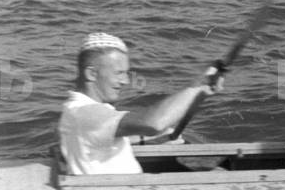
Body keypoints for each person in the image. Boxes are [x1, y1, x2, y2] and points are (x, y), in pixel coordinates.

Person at [58, 33, 223, 175]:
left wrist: (152, 140)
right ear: (91, 74)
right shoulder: (86, 113)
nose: (125, 81)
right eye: (119, 73)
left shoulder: (77, 109)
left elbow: (100, 139)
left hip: (129, 186)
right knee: (226, 169)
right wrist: (197, 85)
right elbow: (154, 124)